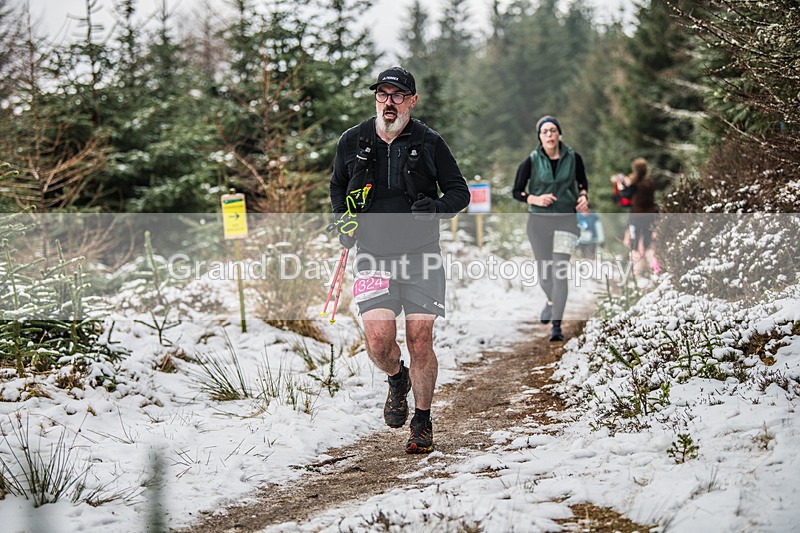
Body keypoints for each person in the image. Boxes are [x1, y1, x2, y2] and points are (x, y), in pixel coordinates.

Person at [330, 67, 470, 454]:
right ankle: (397, 377)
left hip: (422, 255)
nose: (388, 102)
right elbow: (338, 186)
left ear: (412, 100)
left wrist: (437, 207)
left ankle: (422, 421)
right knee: (378, 342)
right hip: (372, 255)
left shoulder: (429, 142)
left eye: (397, 95)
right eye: (382, 95)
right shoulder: (353, 140)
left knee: (420, 340)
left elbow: (460, 192)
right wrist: (343, 220)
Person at [512, 115, 589, 342]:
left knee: (560, 272)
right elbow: (517, 191)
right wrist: (535, 199)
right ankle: (551, 300)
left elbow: (583, 183)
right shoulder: (531, 160)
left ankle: (557, 325)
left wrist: (583, 197)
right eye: (544, 131)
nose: (549, 134)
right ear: (540, 136)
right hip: (539, 223)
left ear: (559, 134)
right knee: (545, 275)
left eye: (553, 130)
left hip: (566, 220)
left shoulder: (574, 158)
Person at [620, 158, 660, 275]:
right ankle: (655, 271)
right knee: (649, 246)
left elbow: (625, 195)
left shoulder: (634, 184)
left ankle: (636, 274)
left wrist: (622, 184)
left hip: (636, 218)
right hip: (651, 217)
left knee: (635, 246)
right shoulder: (650, 183)